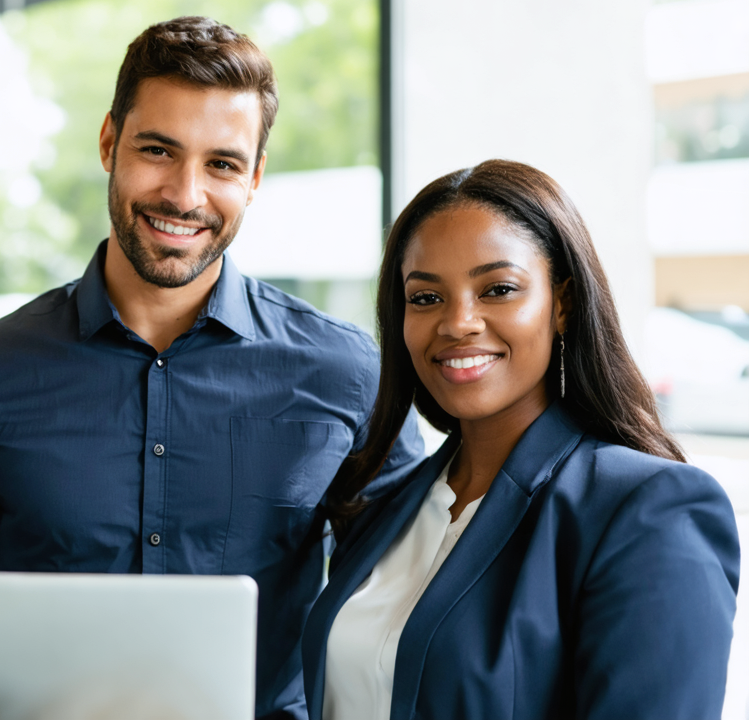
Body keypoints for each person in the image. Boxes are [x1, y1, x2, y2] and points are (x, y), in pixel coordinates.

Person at [0, 16, 423, 720]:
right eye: (159, 150)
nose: (185, 194)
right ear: (109, 142)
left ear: (255, 177)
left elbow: (410, 605)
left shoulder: (346, 376)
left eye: (222, 164)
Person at [301, 159, 740, 719]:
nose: (458, 322)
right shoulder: (384, 510)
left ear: (563, 304)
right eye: (426, 298)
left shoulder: (648, 511)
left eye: (498, 289)